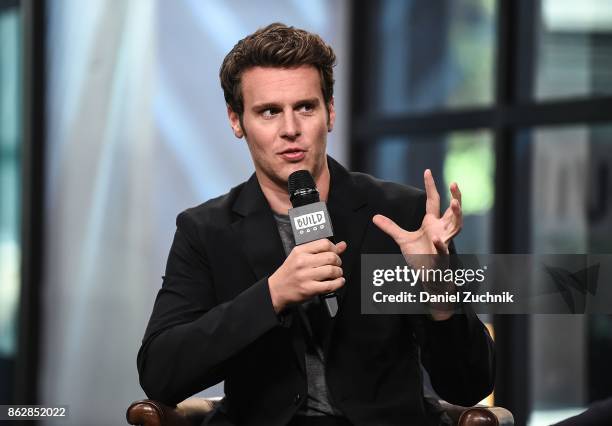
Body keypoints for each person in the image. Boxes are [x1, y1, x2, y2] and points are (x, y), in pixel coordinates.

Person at [137, 23, 494, 426]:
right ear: (236, 121)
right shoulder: (206, 230)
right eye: (269, 111)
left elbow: (469, 384)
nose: (290, 129)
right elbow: (160, 373)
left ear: (330, 112)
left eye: (305, 107)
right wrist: (272, 294)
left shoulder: (399, 215)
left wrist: (438, 293)